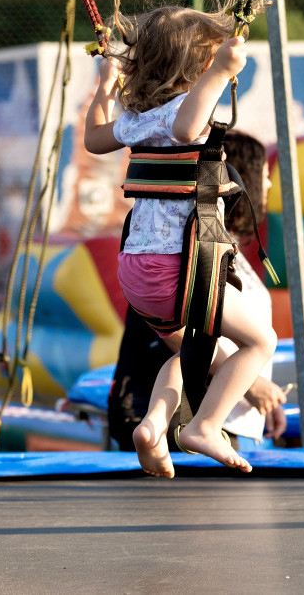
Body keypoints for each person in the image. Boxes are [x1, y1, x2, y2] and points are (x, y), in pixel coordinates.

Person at [84, 0, 277, 478]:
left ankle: (153, 424)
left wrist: (106, 90)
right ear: (197, 67)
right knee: (260, 342)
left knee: (200, 348)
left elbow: (94, 139)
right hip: (177, 268)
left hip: (134, 273)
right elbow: (189, 125)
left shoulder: (134, 120)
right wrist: (223, 71)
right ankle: (204, 426)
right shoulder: (182, 114)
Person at [107, 131, 289, 454]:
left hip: (225, 417)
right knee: (261, 341)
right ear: (241, 178)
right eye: (264, 176)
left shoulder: (215, 248)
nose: (270, 186)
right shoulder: (193, 250)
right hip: (196, 415)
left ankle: (185, 424)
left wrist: (256, 386)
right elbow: (183, 338)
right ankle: (194, 426)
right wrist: (252, 385)